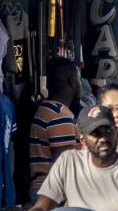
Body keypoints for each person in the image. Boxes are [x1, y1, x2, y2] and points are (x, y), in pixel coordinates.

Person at [28, 57, 83, 199]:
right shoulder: (60, 115)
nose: (80, 83)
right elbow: (65, 167)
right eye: (78, 79)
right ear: (72, 82)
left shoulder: (46, 109)